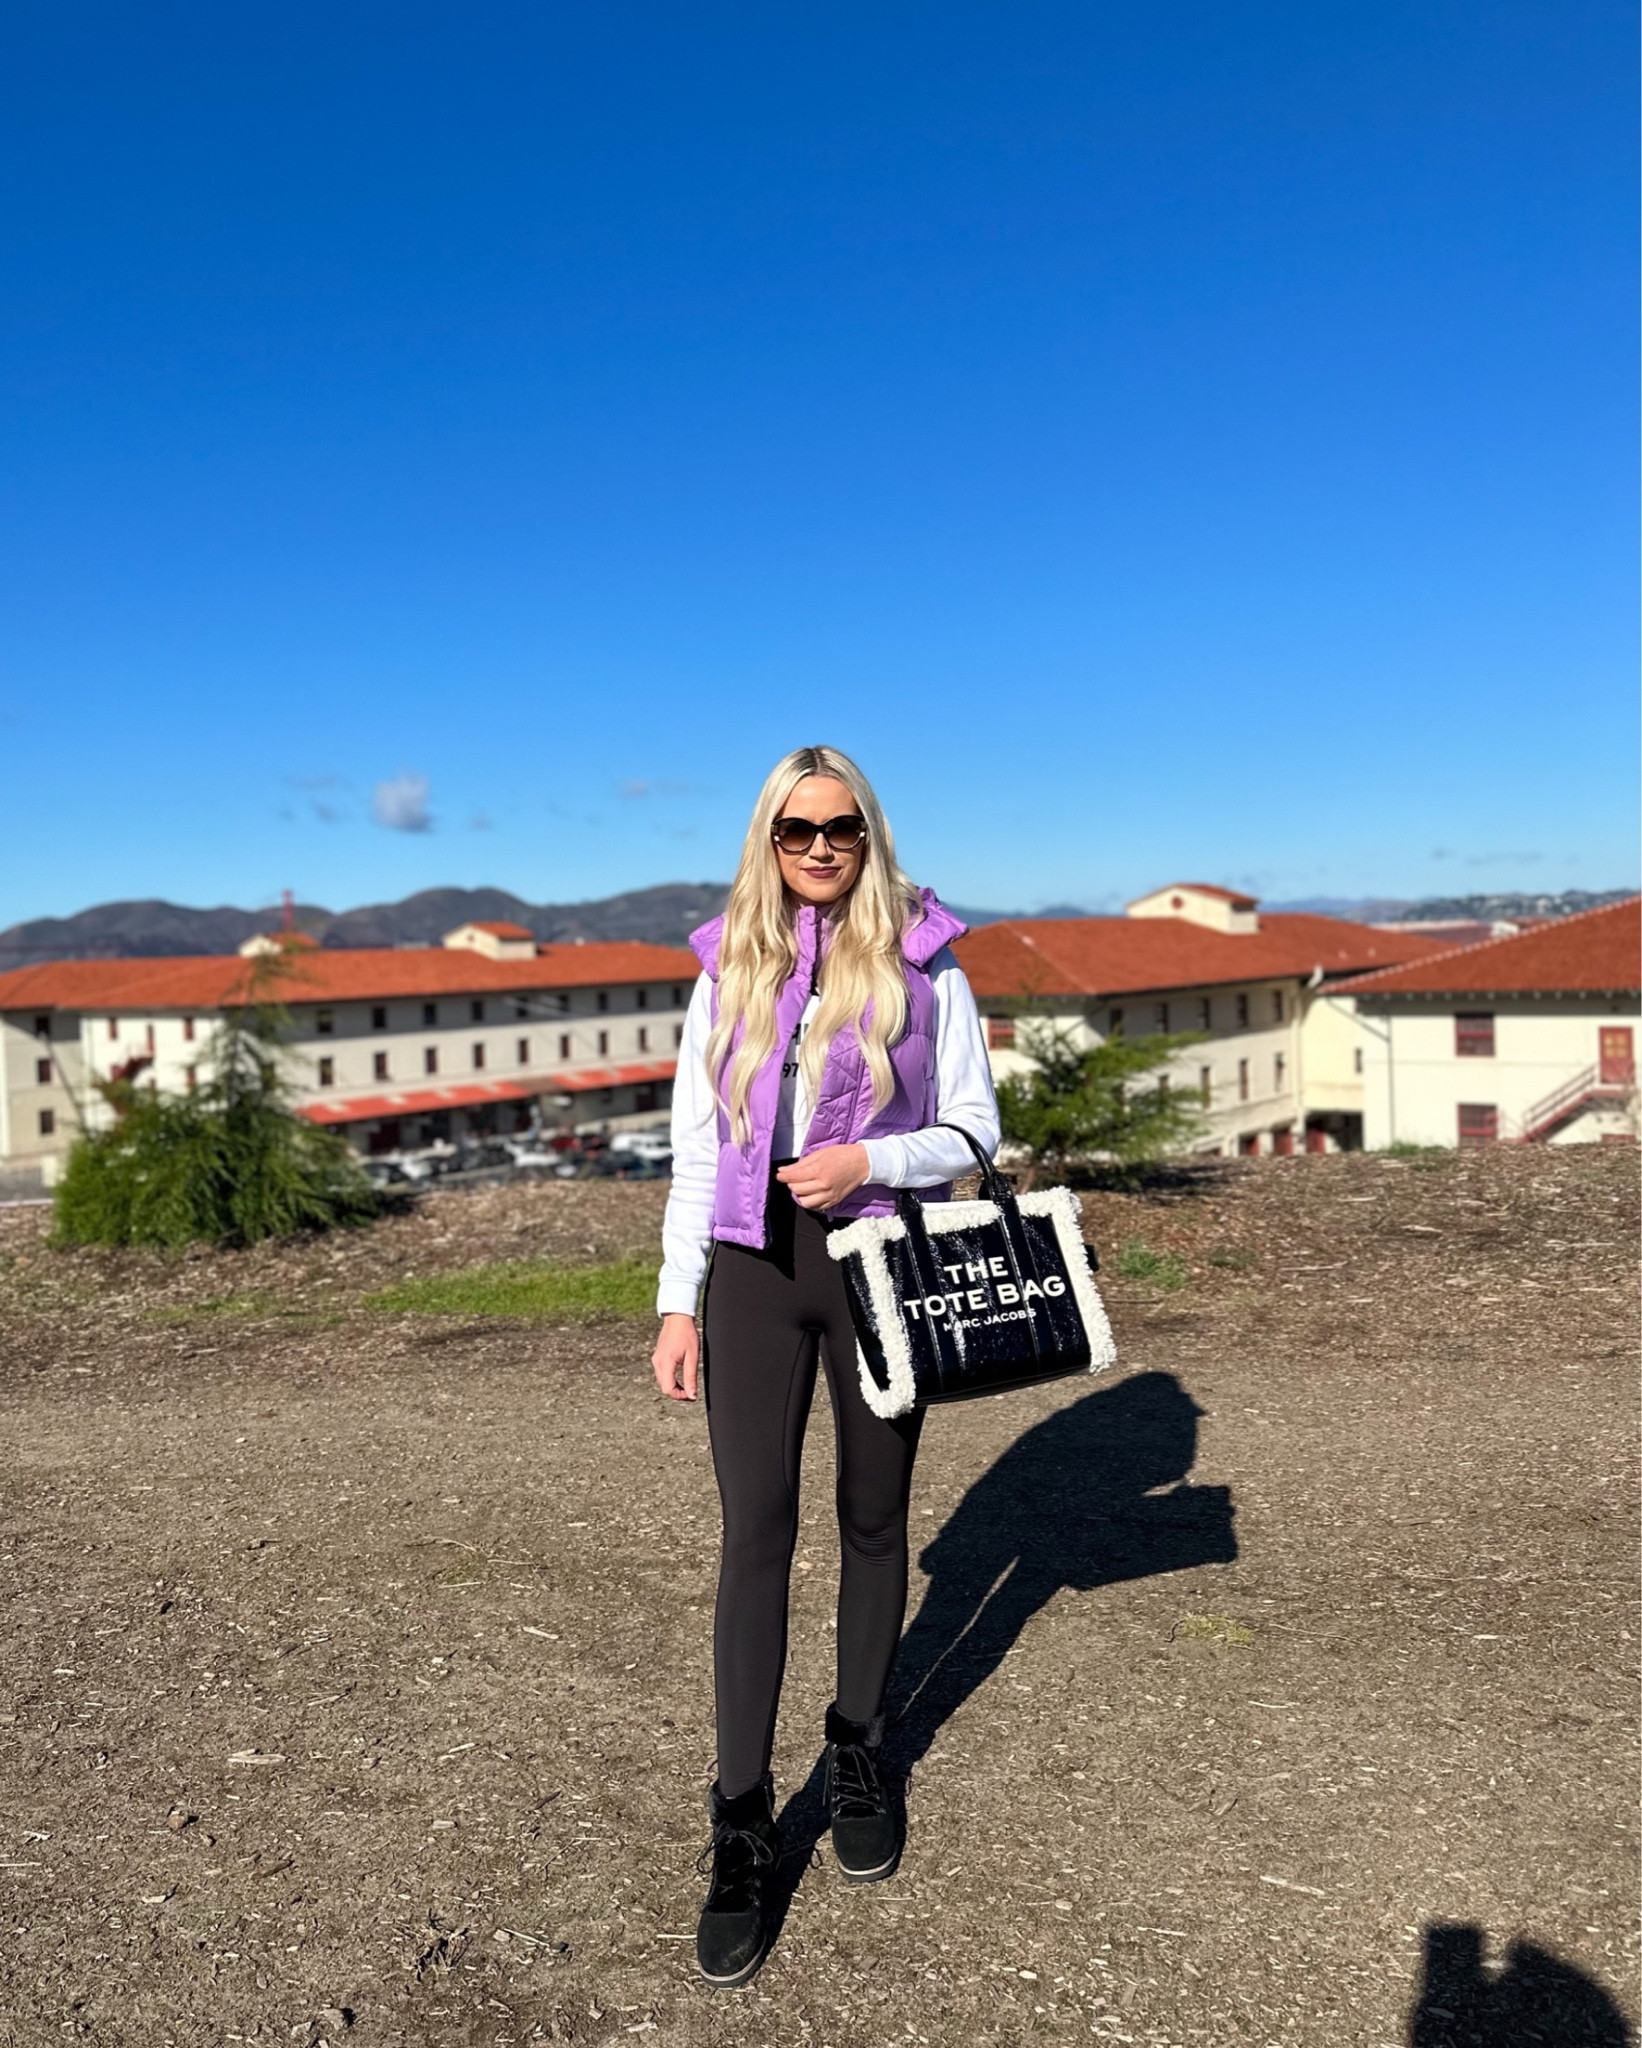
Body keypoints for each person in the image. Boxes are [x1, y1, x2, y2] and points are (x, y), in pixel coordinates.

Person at [652, 743, 1000, 1988]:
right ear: (767, 837)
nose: (817, 849)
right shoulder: (726, 960)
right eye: (795, 830)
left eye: (838, 827)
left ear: (868, 830)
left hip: (876, 1261)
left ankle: (856, 1744)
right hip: (749, 1266)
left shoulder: (923, 953)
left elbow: (974, 1125)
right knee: (753, 1530)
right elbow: (698, 1145)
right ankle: (741, 1820)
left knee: (872, 1513)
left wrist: (873, 1164)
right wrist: (676, 1300)